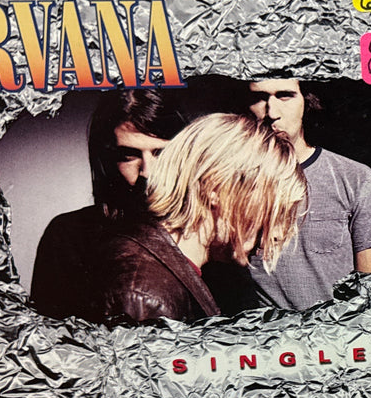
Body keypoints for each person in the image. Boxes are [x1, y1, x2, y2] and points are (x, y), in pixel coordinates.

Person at [86, 113, 306, 324]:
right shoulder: (146, 297)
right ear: (216, 187)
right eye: (272, 210)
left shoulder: (187, 273)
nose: (277, 234)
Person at [31, 87, 210, 318]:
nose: (147, 172)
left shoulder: (213, 237)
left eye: (160, 153)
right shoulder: (68, 237)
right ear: (107, 160)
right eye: (128, 156)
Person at [245, 76, 371, 309]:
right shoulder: (231, 183)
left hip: (336, 328)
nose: (272, 112)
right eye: (259, 98)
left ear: (306, 102)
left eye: (285, 96)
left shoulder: (355, 177)